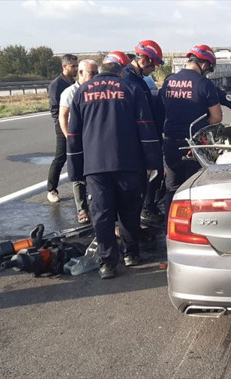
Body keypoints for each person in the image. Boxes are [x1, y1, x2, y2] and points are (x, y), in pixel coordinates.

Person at [66, 51, 161, 279]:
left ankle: (107, 263)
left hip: (95, 166)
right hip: (129, 163)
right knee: (129, 212)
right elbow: (146, 128)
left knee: (102, 214)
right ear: (120, 70)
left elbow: (73, 135)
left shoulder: (82, 92)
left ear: (102, 69)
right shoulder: (132, 89)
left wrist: (75, 170)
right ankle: (131, 254)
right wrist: (153, 163)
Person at [159, 44, 223, 217]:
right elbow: (216, 117)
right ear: (203, 64)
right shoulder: (204, 83)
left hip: (170, 143)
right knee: (194, 189)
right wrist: (201, 127)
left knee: (172, 189)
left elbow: (161, 109)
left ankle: (169, 231)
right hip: (193, 145)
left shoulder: (168, 81)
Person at [122, 40, 167, 228]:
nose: (154, 68)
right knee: (149, 175)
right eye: (154, 64)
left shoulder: (137, 78)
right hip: (138, 139)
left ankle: (146, 207)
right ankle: (143, 211)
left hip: (148, 134)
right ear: (144, 60)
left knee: (153, 174)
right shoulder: (128, 80)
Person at [58, 59, 98, 224]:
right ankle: (82, 209)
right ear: (81, 73)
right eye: (92, 73)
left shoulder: (96, 90)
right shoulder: (70, 92)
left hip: (93, 140)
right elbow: (63, 116)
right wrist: (69, 137)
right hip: (77, 139)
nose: (95, 76)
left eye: (97, 73)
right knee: (78, 175)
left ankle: (96, 205)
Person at [45, 54, 78, 203]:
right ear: (64, 67)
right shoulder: (56, 84)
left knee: (79, 156)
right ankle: (51, 189)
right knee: (60, 157)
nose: (75, 69)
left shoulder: (74, 83)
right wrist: (63, 129)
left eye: (77, 66)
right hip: (63, 125)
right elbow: (54, 110)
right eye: (73, 66)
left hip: (77, 124)